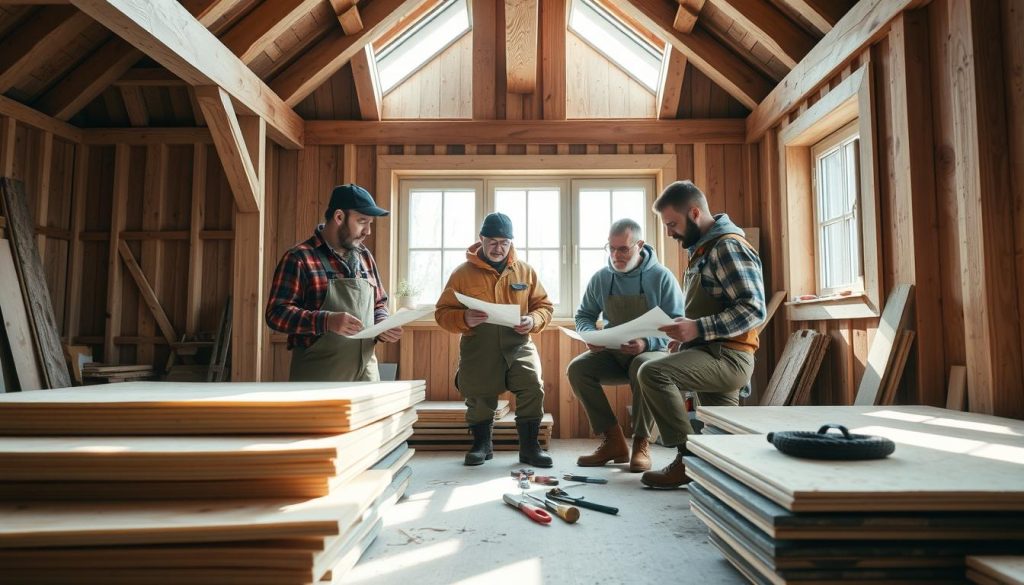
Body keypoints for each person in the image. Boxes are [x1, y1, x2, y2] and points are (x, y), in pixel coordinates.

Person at [637, 181, 765, 488]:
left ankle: (689, 460)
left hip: (729, 357)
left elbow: (753, 309)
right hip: (711, 351)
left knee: (652, 373)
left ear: (695, 213)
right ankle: (725, 477)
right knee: (725, 438)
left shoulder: (727, 247)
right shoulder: (704, 250)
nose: (668, 233)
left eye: (672, 224)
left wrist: (697, 328)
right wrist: (686, 333)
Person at [435, 212, 554, 467]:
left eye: (504, 242)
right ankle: (481, 444)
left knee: (532, 384)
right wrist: (464, 317)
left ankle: (530, 448)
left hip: (519, 342)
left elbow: (544, 306)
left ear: (511, 242)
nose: (498, 248)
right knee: (479, 394)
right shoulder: (462, 274)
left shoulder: (525, 271)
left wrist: (533, 320)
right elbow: (442, 313)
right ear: (481, 240)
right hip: (479, 344)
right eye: (493, 242)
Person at [567, 218, 684, 472]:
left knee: (643, 368)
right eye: (611, 248)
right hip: (613, 353)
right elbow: (584, 316)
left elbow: (678, 326)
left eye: (623, 249)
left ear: (639, 245)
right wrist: (590, 335)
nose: (615, 255)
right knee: (577, 369)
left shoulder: (661, 277)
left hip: (651, 352)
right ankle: (613, 441)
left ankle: (641, 443)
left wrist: (647, 342)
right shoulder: (600, 278)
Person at [265, 184, 402, 382]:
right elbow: (276, 314)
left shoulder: (365, 257)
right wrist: (326, 321)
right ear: (339, 217)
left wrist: (382, 324)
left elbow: (379, 303)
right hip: (319, 374)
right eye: (362, 221)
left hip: (367, 373)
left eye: (370, 223)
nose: (368, 231)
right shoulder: (300, 258)